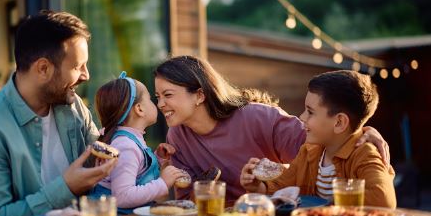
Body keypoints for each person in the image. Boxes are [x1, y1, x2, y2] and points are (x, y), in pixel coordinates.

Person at [153, 55, 390, 204]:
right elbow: (186, 204)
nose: (160, 103)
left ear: (200, 95)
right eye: (157, 96)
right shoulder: (177, 137)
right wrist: (166, 171)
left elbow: (325, 138)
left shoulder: (258, 118)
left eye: (168, 95)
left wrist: (364, 132)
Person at [0, 11, 117, 216]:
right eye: (77, 67)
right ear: (43, 68)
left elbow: (99, 162)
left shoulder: (73, 106)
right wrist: (66, 188)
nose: (86, 76)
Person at [240, 70, 396, 208]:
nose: (302, 117)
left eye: (310, 112)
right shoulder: (308, 152)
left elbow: (384, 200)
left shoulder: (364, 154)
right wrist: (259, 186)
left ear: (339, 122)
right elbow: (283, 184)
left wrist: (331, 207)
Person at [89, 72, 188, 213]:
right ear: (139, 109)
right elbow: (123, 196)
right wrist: (163, 183)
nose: (158, 104)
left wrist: (157, 158)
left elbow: (137, 173)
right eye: (150, 98)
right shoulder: (126, 146)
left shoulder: (128, 141)